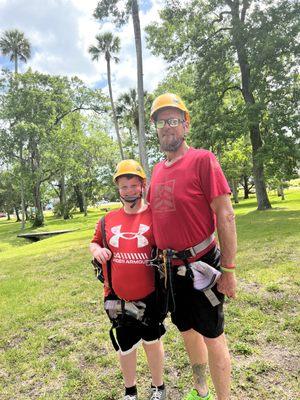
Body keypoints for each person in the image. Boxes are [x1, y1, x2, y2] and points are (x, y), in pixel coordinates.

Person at [148, 93, 237, 400]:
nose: (166, 127)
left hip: (203, 265)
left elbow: (225, 214)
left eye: (173, 120)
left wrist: (229, 269)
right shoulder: (156, 171)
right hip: (170, 269)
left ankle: (224, 397)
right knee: (186, 331)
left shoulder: (203, 160)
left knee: (213, 335)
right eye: (161, 121)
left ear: (185, 124)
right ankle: (201, 391)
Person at [90, 159, 166, 400]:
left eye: (133, 185)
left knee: (152, 342)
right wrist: (96, 251)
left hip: (151, 295)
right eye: (123, 187)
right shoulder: (107, 220)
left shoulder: (156, 215)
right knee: (125, 346)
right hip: (117, 296)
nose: (129, 191)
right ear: (118, 189)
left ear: (142, 185)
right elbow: (94, 242)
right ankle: (130, 391)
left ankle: (158, 388)